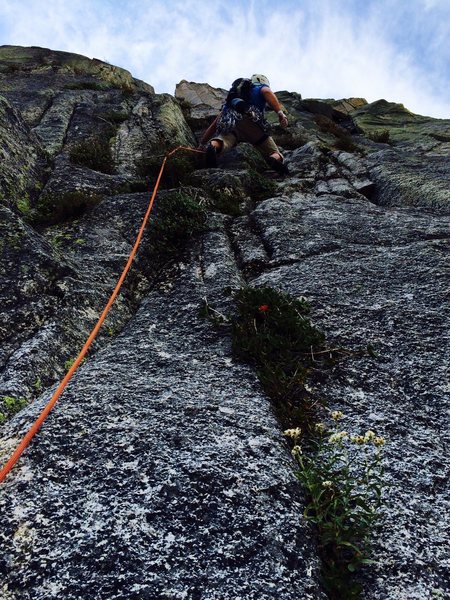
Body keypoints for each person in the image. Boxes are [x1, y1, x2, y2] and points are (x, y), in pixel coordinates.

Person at [199, 74, 289, 175]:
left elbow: (215, 124)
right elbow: (267, 92)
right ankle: (273, 159)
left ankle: (213, 147)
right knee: (273, 150)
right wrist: (280, 113)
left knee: (224, 141)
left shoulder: (234, 97)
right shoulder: (260, 87)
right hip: (252, 122)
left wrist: (202, 143)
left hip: (231, 122)